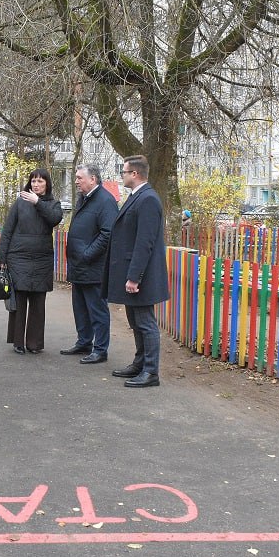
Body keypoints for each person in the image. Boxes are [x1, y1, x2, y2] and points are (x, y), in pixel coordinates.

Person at [104, 155, 169, 388]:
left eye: (124, 172)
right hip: (135, 273)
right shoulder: (138, 197)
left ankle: (151, 371)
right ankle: (140, 363)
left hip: (143, 276)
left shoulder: (148, 199)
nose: (122, 176)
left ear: (135, 174)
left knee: (145, 322)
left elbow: (145, 242)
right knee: (135, 320)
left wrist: (134, 277)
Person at [0, 168, 64, 354]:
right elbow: (7, 230)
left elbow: (54, 219)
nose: (36, 184)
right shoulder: (19, 203)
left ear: (47, 184)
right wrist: (1, 258)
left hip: (42, 258)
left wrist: (38, 203)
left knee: (38, 302)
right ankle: (18, 341)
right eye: (33, 181)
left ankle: (34, 343)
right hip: (18, 257)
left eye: (40, 181)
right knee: (19, 299)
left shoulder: (53, 204)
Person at [60, 164, 117, 364]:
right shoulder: (84, 199)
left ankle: (100, 349)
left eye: (79, 178)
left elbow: (107, 233)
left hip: (94, 267)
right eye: (76, 178)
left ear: (93, 179)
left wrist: (87, 254)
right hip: (79, 266)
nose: (76, 181)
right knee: (80, 307)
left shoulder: (105, 201)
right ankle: (84, 342)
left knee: (97, 309)